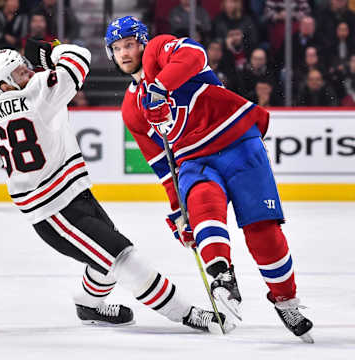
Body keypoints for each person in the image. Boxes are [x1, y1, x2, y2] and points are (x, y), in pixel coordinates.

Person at [0, 43, 234, 332]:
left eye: (24, 66)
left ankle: (88, 304)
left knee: (105, 255)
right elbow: (79, 57)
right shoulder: (41, 88)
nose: (28, 71)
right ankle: (187, 313)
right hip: (54, 210)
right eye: (19, 72)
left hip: (66, 196)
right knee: (122, 256)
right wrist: (54, 50)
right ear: (3, 84)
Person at [104, 15, 314, 343]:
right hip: (193, 159)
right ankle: (222, 276)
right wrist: (178, 211)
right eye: (116, 49)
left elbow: (195, 55)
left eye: (129, 44)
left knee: (263, 230)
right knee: (202, 207)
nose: (124, 53)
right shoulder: (132, 108)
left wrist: (160, 87)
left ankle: (286, 300)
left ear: (142, 42)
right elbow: (162, 163)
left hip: (238, 142)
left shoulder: (159, 50)